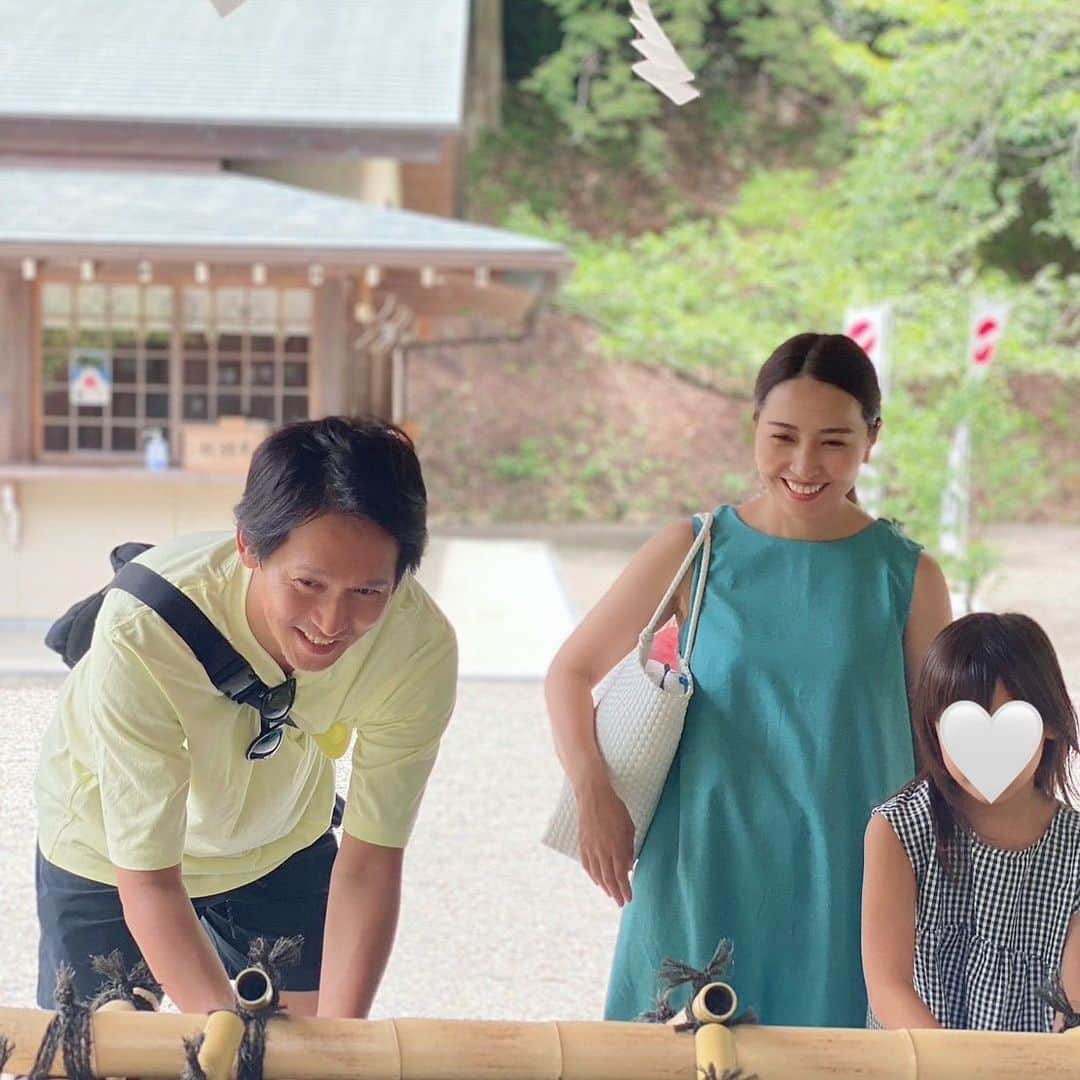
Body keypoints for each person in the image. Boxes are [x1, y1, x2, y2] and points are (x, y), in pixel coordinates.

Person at [545, 332, 953, 1027]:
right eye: (783, 436)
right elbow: (570, 671)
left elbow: (936, 750)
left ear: (872, 440)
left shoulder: (907, 576)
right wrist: (594, 792)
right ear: (753, 428)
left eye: (833, 442)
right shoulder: (697, 548)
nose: (803, 464)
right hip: (701, 863)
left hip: (850, 879)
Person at [35, 417, 457, 1018]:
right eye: (308, 583)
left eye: (368, 592)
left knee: (306, 1038)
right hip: (107, 849)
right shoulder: (143, 632)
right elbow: (150, 881)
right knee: (102, 1043)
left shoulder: (417, 647)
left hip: (276, 839)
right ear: (247, 546)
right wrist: (222, 1038)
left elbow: (371, 859)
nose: (332, 622)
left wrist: (340, 1049)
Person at [862, 612, 1080, 1032]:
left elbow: (1072, 1010)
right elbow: (888, 987)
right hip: (915, 1062)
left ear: (1049, 724)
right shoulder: (898, 830)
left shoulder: (1074, 850)